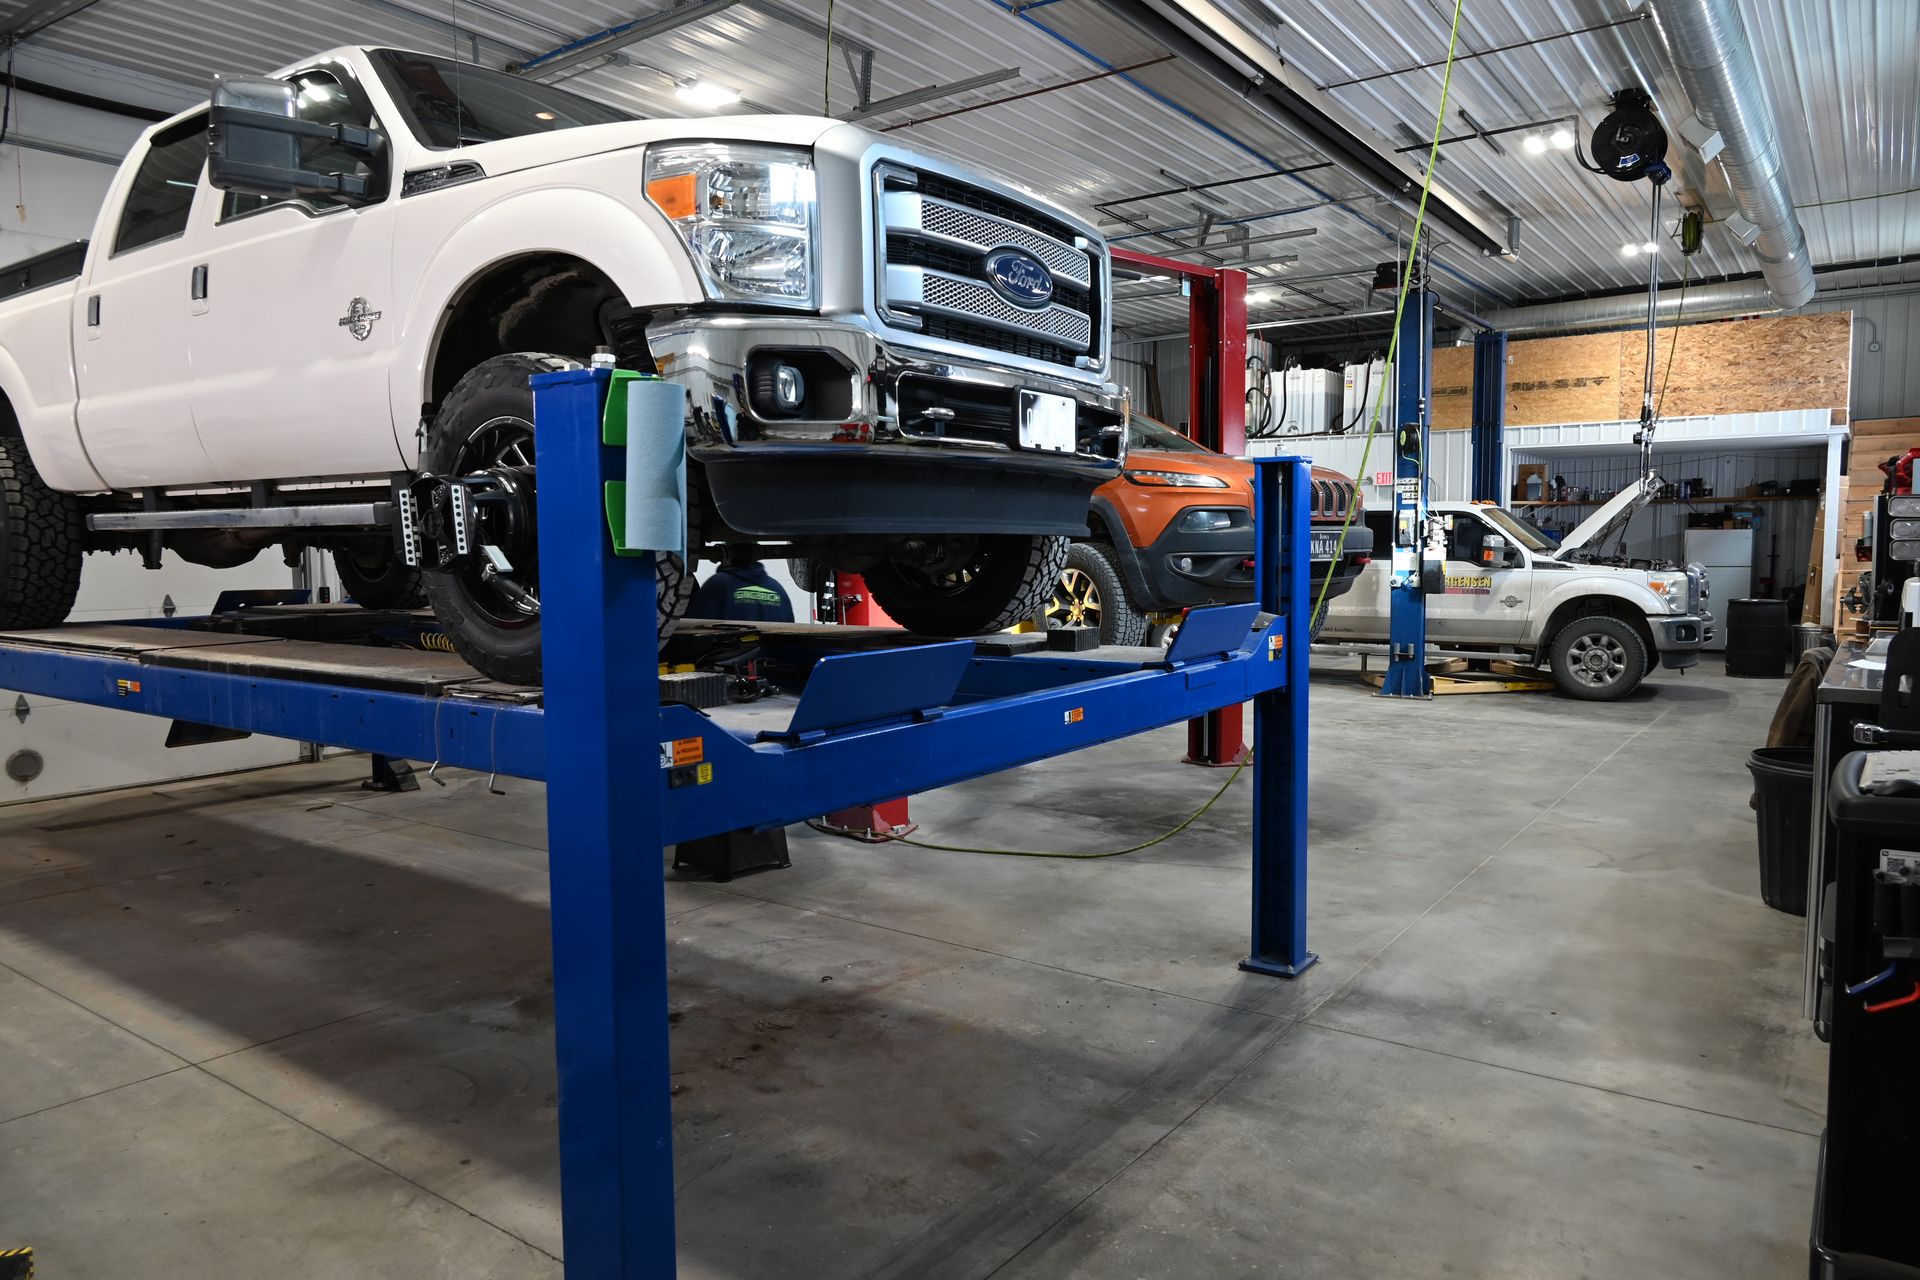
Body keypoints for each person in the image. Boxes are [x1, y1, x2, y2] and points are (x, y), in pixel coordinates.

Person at [688, 549, 794, 622]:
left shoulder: (717, 584)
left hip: (729, 653)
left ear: (726, 556)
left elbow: (694, 629)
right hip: (773, 655)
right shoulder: (777, 589)